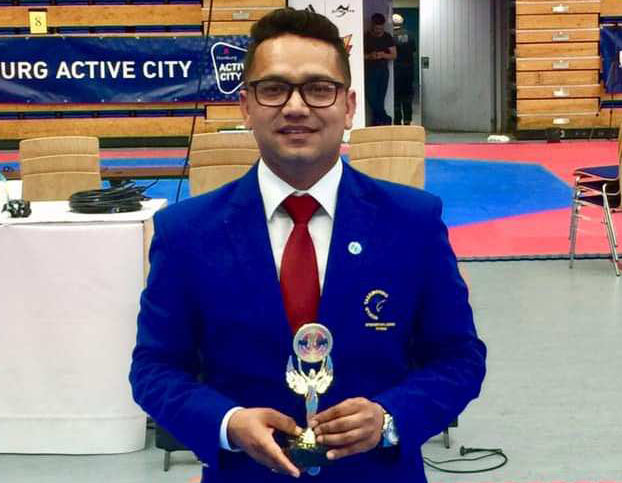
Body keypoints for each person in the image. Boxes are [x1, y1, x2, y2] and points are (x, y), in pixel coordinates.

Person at [129, 8, 486, 483]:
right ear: (245, 106)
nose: (296, 107)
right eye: (274, 89)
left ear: (349, 106)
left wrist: (390, 418)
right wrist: (226, 424)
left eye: (319, 89)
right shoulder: (185, 232)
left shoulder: (413, 222)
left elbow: (459, 359)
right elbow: (154, 369)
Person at [364, 13, 396, 126]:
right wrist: (369, 56)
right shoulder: (366, 37)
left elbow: (394, 55)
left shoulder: (387, 37)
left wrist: (383, 55)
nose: (378, 30)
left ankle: (377, 123)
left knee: (380, 99)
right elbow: (359, 55)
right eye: (376, 28)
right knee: (371, 97)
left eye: (381, 28)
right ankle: (385, 119)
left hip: (383, 72)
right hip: (369, 72)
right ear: (372, 25)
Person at [392, 13, 417, 125]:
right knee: (407, 96)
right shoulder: (410, 35)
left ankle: (397, 120)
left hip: (396, 70)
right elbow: (413, 51)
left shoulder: (391, 36)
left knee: (396, 97)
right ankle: (407, 120)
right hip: (408, 70)